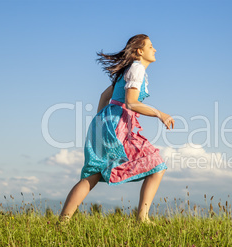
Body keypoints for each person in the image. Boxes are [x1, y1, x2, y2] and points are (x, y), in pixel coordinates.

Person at [58, 34, 175, 224]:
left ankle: (63, 221)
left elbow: (104, 96)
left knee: (93, 174)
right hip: (118, 125)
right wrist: (160, 114)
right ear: (140, 51)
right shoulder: (136, 69)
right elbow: (131, 103)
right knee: (157, 165)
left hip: (107, 123)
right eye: (151, 46)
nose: (155, 49)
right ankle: (142, 218)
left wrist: (101, 123)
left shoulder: (128, 70)